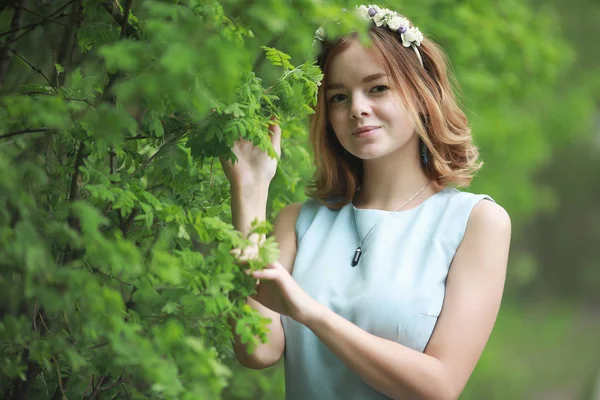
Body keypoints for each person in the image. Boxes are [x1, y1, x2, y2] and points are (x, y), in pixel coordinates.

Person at [222, 4, 511, 400]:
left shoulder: (475, 222)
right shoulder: (297, 223)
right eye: (339, 97)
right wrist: (251, 191)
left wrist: (310, 312)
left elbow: (439, 386)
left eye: (377, 88)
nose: (356, 108)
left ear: (421, 94)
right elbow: (256, 348)